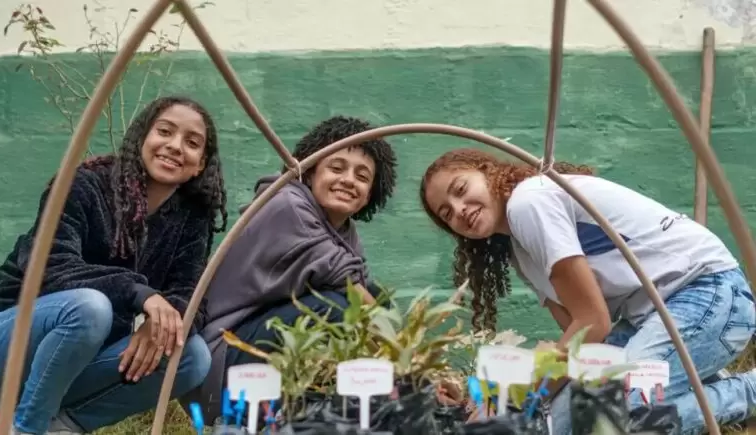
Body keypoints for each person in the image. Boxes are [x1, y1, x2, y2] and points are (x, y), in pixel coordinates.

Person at [419, 147, 756, 434]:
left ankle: (747, 391)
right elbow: (579, 339)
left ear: (488, 172)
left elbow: (593, 323)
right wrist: (493, 398)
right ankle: (703, 377)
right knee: (568, 422)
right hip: (652, 318)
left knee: (609, 416)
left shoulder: (528, 202)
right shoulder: (518, 252)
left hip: (709, 295)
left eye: (460, 189)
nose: (459, 209)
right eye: (447, 214)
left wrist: (516, 398)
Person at [0, 96, 228, 435]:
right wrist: (140, 294)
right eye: (164, 131)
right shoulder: (85, 184)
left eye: (191, 142)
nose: (175, 146)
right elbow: (50, 265)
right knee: (90, 307)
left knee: (191, 356)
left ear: (200, 164)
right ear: (142, 136)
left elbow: (189, 292)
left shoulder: (191, 217)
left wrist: (162, 323)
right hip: (3, 352)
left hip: (64, 372)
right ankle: (27, 430)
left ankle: (61, 427)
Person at [185, 115, 397, 422]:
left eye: (362, 176)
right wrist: (409, 362)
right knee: (337, 308)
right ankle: (248, 419)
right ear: (309, 173)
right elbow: (348, 288)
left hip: (261, 349)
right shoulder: (288, 205)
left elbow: (367, 297)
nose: (349, 180)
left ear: (370, 194)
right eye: (336, 168)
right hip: (218, 368)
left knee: (376, 299)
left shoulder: (345, 231)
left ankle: (342, 415)